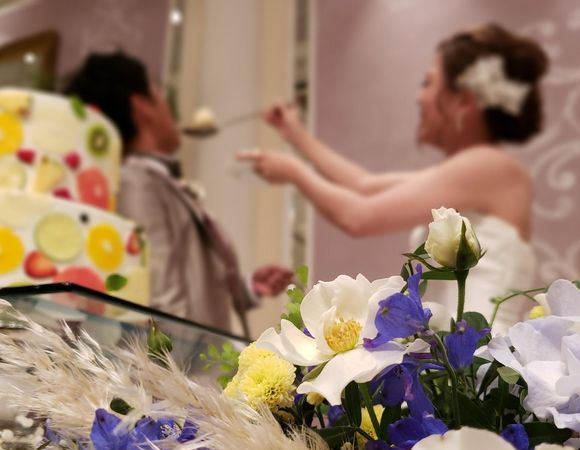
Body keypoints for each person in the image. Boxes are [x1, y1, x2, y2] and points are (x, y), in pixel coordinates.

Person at [238, 23, 549, 331]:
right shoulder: (481, 168)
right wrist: (296, 136)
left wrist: (294, 171)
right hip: (458, 344)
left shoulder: (486, 165)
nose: (419, 98)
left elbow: (358, 216)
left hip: (479, 349)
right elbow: (364, 186)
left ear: (463, 101)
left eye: (428, 83)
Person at [65, 51, 293, 336]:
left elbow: (184, 285)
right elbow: (161, 306)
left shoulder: (151, 180)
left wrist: (246, 288)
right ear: (142, 105)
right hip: (188, 362)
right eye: (158, 92)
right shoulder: (135, 183)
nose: (166, 103)